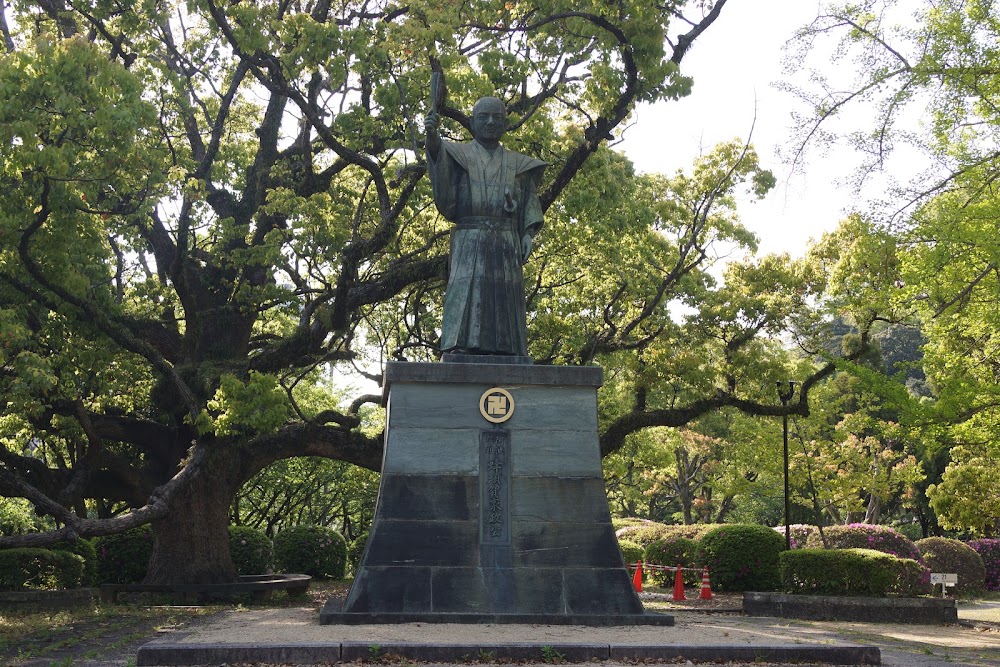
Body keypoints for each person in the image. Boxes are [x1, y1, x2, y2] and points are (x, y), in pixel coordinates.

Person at [424, 96, 546, 358]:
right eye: (483, 117)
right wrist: (433, 141)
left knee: (506, 299)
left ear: (505, 124)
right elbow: (440, 165)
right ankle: (461, 345)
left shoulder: (518, 164)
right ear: (471, 122)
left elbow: (528, 201)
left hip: (506, 240)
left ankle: (507, 348)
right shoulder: (459, 155)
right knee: (466, 291)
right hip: (470, 237)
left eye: (497, 118)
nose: (490, 122)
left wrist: (527, 233)